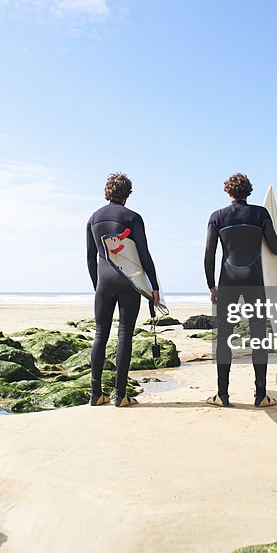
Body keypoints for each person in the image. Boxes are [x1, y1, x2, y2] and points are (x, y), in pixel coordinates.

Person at [204, 173, 277, 407]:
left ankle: (222, 395)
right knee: (258, 338)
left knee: (224, 338)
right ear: (249, 192)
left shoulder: (217, 217)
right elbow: (275, 247)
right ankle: (260, 395)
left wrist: (211, 285)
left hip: (228, 281)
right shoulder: (260, 214)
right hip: (255, 281)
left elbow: (209, 255)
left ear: (228, 192)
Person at [86, 172, 161, 407]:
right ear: (127, 194)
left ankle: (96, 393)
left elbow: (90, 258)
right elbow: (144, 254)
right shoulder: (133, 217)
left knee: (100, 335)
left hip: (104, 282)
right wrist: (154, 286)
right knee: (124, 335)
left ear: (107, 191)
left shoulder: (93, 218)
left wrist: (96, 284)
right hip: (129, 281)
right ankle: (120, 395)